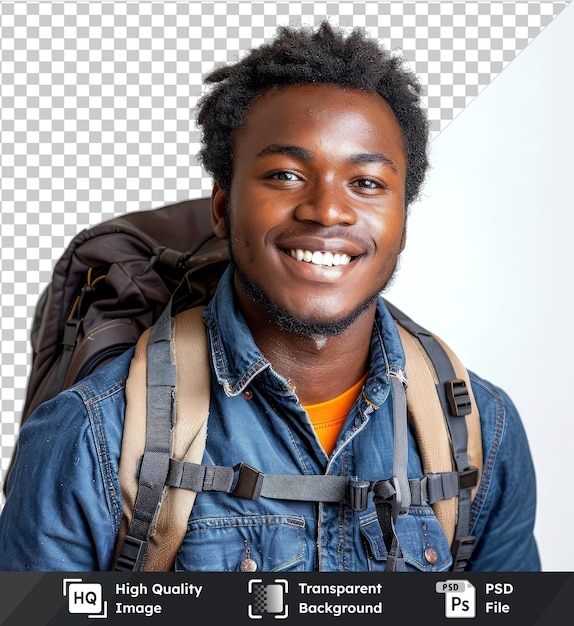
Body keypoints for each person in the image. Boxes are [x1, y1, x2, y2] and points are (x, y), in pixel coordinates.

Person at [0, 21, 539, 572]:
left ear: (402, 222)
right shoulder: (90, 434)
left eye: (367, 183)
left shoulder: (480, 431)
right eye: (284, 175)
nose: (328, 210)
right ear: (222, 207)